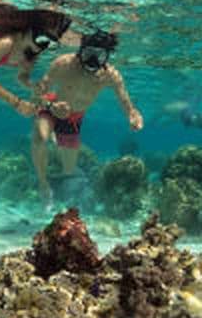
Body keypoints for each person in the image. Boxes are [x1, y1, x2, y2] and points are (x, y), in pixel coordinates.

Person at [31, 29, 143, 203]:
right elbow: (37, 94)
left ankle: (57, 139)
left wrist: (133, 115)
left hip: (74, 118)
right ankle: (43, 184)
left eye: (99, 55)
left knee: (68, 170)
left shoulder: (111, 75)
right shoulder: (64, 64)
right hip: (52, 107)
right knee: (40, 138)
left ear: (107, 57)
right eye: (88, 53)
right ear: (80, 50)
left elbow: (126, 101)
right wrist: (51, 105)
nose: (92, 60)